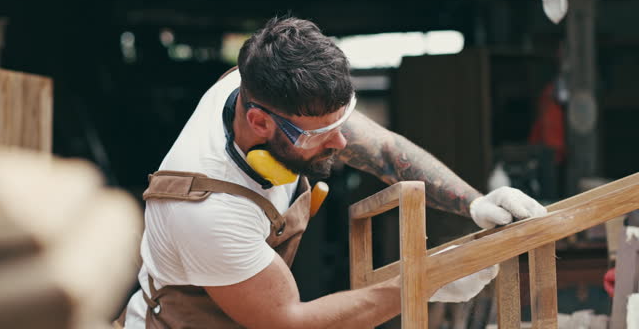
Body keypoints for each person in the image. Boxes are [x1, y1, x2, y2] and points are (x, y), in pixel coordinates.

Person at [121, 17, 547, 328]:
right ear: (260, 123)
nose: (341, 143)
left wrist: (474, 203)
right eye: (322, 133)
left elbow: (382, 151)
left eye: (341, 123)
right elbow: (290, 322)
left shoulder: (265, 89)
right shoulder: (209, 210)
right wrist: (426, 281)